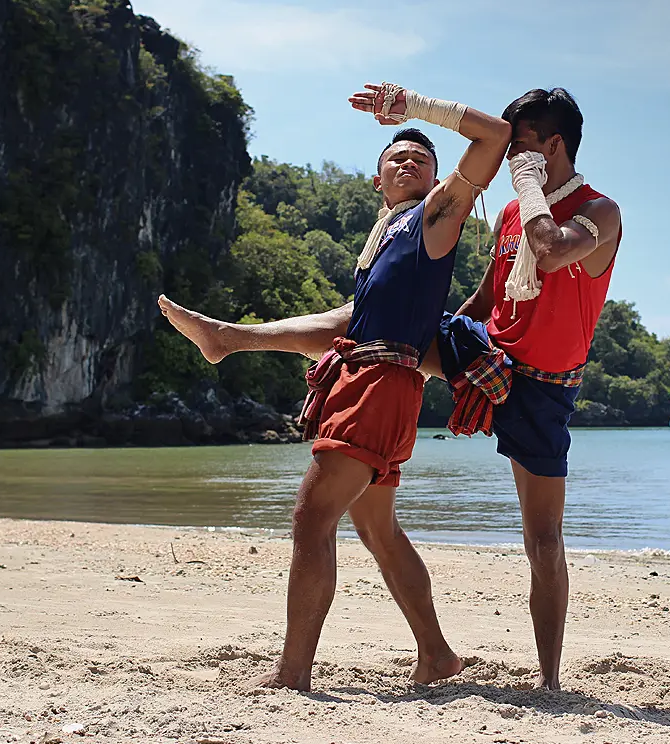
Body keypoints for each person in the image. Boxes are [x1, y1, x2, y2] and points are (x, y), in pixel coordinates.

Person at [159, 88, 619, 690]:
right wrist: (435, 329)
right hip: (484, 353)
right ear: (376, 180)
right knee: (372, 346)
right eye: (394, 159)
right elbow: (483, 300)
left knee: (541, 538)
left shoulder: (595, 210)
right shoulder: (491, 217)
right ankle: (231, 337)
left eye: (523, 146)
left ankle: (550, 681)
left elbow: (551, 250)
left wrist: (434, 119)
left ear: (551, 145)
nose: (512, 159)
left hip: (542, 385)